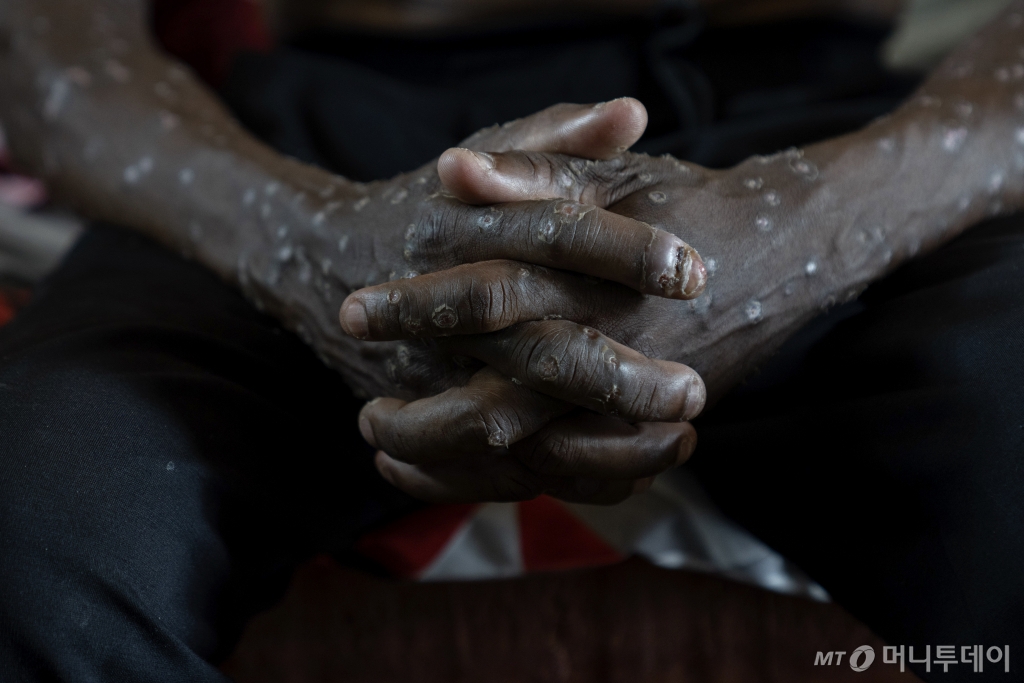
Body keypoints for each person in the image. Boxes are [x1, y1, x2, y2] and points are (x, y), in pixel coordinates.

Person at [0, 0, 1020, 680]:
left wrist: (809, 227)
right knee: (33, 523)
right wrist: (303, 240)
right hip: (304, 151)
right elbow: (45, 49)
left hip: (844, 137)